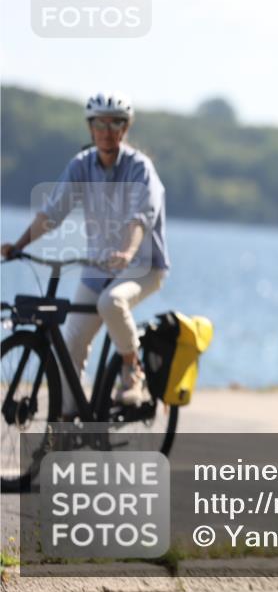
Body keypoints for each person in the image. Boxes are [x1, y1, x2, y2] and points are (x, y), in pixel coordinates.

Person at [1, 92, 170, 416]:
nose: (108, 129)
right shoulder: (81, 165)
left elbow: (141, 217)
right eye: (101, 123)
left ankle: (132, 370)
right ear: (91, 128)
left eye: (116, 123)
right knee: (71, 341)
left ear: (125, 128)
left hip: (142, 266)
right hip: (98, 266)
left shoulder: (140, 168)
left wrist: (127, 250)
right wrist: (19, 246)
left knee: (112, 302)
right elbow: (53, 212)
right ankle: (67, 421)